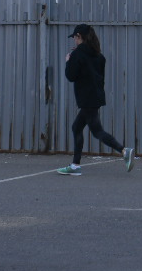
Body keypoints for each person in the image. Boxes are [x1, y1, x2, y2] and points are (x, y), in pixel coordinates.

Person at [58, 24, 135, 176]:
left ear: (79, 36)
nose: (74, 40)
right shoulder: (98, 55)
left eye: (74, 37)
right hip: (96, 97)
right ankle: (75, 165)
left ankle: (124, 150)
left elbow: (71, 76)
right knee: (76, 127)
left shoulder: (78, 54)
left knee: (97, 131)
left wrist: (68, 61)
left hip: (87, 98)